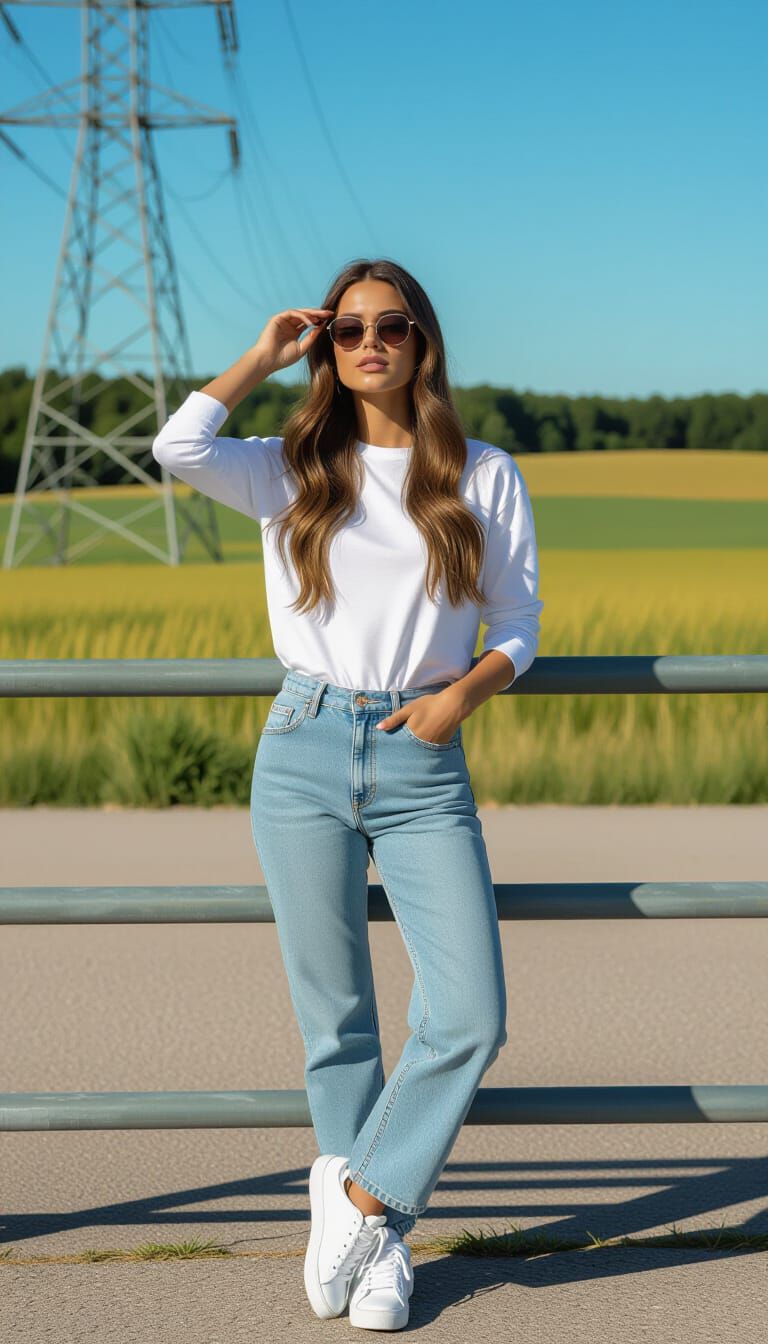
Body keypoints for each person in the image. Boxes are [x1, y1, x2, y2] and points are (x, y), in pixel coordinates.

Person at [152, 257, 543, 1331]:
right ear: (326, 346)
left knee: (469, 1013)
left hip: (424, 752)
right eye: (351, 328)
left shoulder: (482, 470)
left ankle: (359, 1195)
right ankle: (382, 1258)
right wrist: (259, 355)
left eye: (395, 325)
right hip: (303, 743)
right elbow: (175, 447)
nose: (373, 341)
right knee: (338, 1020)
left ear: (424, 343)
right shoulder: (287, 466)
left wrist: (458, 699)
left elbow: (518, 626)